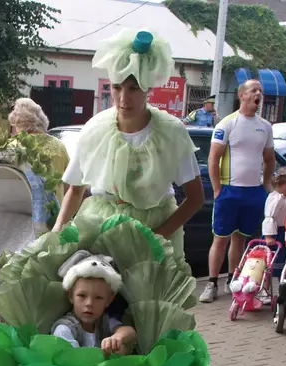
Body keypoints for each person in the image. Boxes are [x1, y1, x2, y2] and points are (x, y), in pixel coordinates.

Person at [53, 29, 204, 275]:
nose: (123, 97)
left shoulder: (171, 132)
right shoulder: (95, 129)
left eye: (133, 88)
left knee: (145, 308)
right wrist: (57, 229)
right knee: (95, 304)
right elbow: (75, 189)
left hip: (154, 229)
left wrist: (156, 237)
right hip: (100, 227)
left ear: (148, 88)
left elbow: (195, 198)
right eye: (116, 87)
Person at [200, 79, 276, 303]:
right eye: (254, 90)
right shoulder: (227, 124)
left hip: (253, 192)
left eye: (260, 91)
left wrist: (265, 185)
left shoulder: (265, 126)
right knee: (220, 239)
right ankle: (212, 283)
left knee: (241, 240)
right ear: (241, 95)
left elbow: (269, 159)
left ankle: (234, 281)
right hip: (229, 191)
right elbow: (214, 158)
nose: (258, 94)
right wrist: (217, 189)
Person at [8, 97, 70, 202]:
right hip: (54, 212)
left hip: (22, 210)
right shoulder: (59, 147)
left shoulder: (12, 147)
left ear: (19, 124)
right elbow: (69, 184)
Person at [261, 167, 286, 301]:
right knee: (271, 264)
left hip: (284, 232)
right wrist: (269, 236)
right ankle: (265, 289)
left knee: (283, 261)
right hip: (275, 233)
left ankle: (283, 286)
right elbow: (269, 217)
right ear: (282, 186)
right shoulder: (275, 199)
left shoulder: (285, 196)